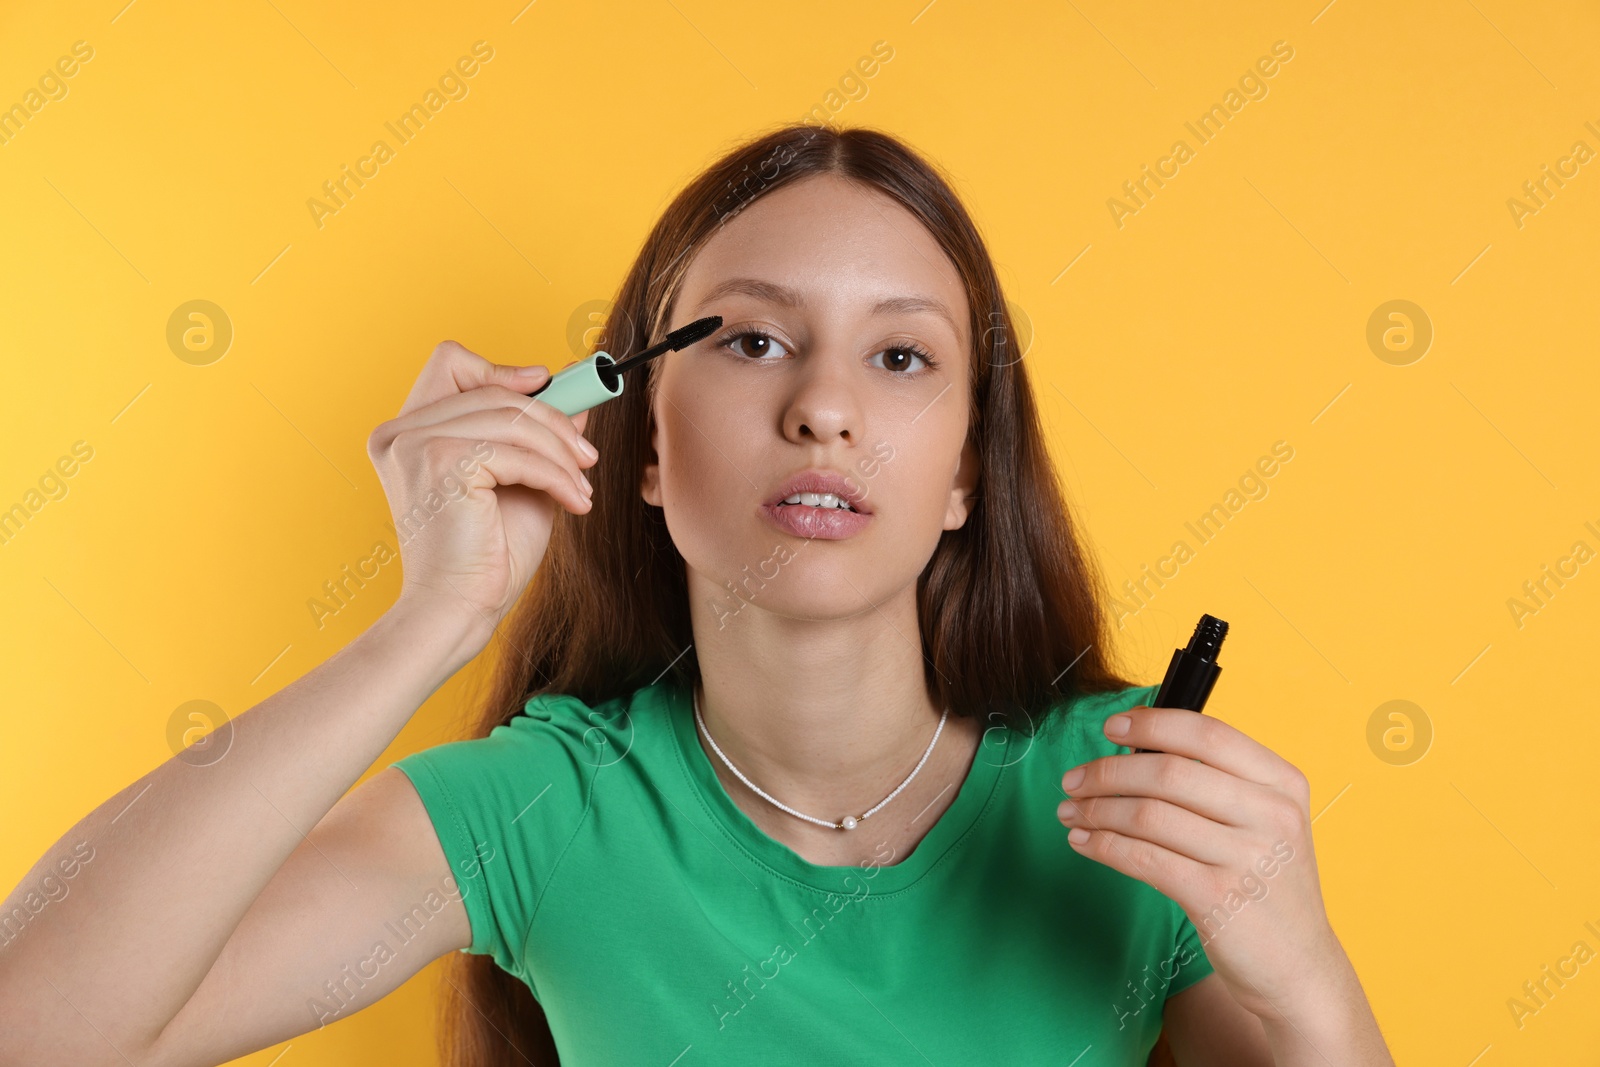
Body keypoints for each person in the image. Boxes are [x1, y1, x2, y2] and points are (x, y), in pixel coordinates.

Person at [0, 123, 1393, 1066]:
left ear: (968, 473)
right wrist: (425, 626)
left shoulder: (1134, 799)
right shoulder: (545, 812)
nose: (826, 409)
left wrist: (1309, 981)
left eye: (902, 360)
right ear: (646, 448)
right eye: (752, 340)